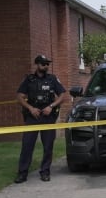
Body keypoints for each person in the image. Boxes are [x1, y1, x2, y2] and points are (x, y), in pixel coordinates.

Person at [15, 54, 67, 183]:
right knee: (27, 145)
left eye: (47, 64)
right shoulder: (29, 79)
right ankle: (22, 173)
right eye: (43, 64)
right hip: (33, 116)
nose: (46, 66)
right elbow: (19, 97)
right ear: (37, 64)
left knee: (48, 146)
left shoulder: (52, 79)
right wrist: (30, 108)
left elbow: (62, 95)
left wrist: (51, 106)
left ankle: (45, 172)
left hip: (48, 116)